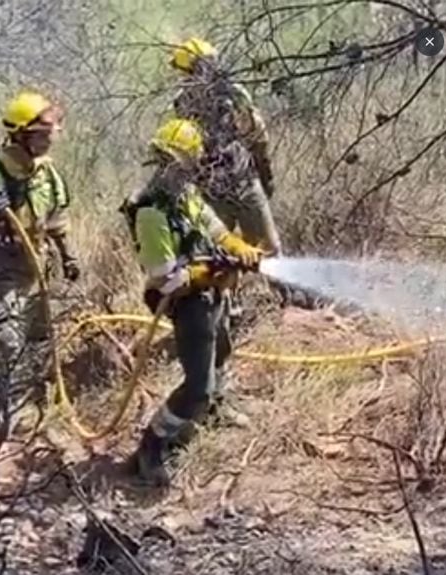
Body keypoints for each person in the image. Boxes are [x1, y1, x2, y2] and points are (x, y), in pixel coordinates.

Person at [122, 118, 264, 486]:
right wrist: (209, 273)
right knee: (196, 385)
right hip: (187, 303)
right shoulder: (152, 211)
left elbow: (214, 229)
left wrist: (238, 249)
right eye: (180, 163)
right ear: (164, 160)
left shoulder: (184, 195)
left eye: (186, 164)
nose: (184, 171)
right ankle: (153, 444)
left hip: (211, 292)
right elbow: (166, 277)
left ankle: (214, 409)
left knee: (223, 350)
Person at [168, 36, 326, 310]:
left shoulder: (224, 97)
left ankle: (289, 306)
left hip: (232, 185)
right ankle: (225, 309)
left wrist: (263, 173)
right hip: (225, 188)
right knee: (222, 254)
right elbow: (257, 137)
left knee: (248, 251)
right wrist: (265, 173)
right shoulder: (210, 97)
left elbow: (255, 135)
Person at [0, 90, 79, 434]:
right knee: (7, 337)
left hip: (37, 266)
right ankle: (6, 408)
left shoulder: (46, 173)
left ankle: (38, 394)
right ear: (23, 134)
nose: (51, 138)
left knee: (39, 336)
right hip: (2, 267)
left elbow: (57, 218)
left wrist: (68, 255)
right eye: (44, 132)